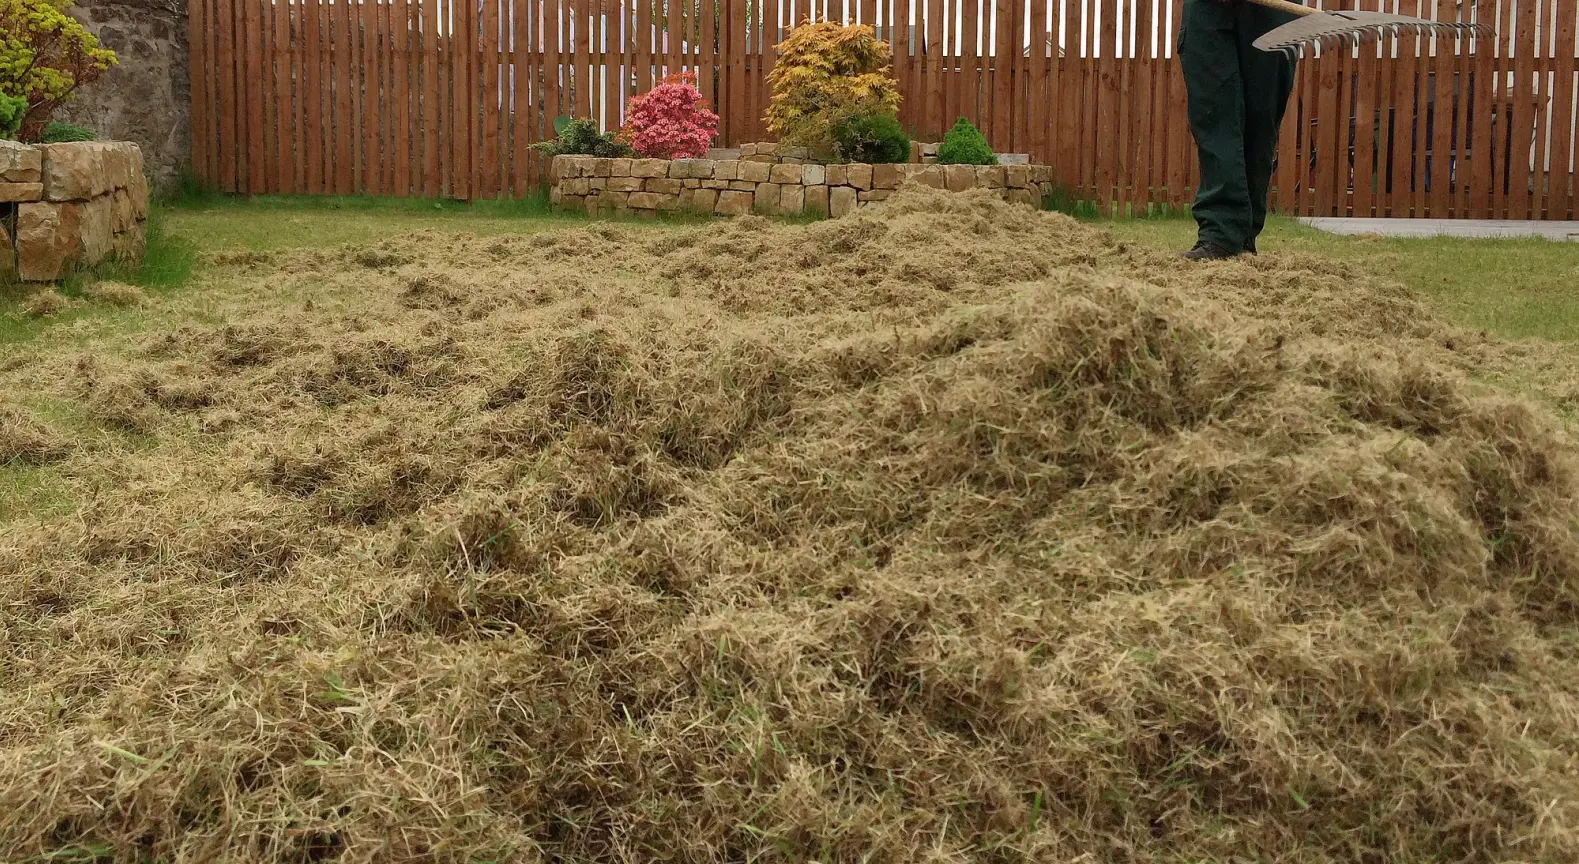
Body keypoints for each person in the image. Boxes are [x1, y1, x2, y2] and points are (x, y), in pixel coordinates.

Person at [1177, 0, 1300, 260]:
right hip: (1207, 8)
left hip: (1272, 8)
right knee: (1213, 111)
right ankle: (1219, 235)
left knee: (1261, 115)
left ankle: (1243, 238)